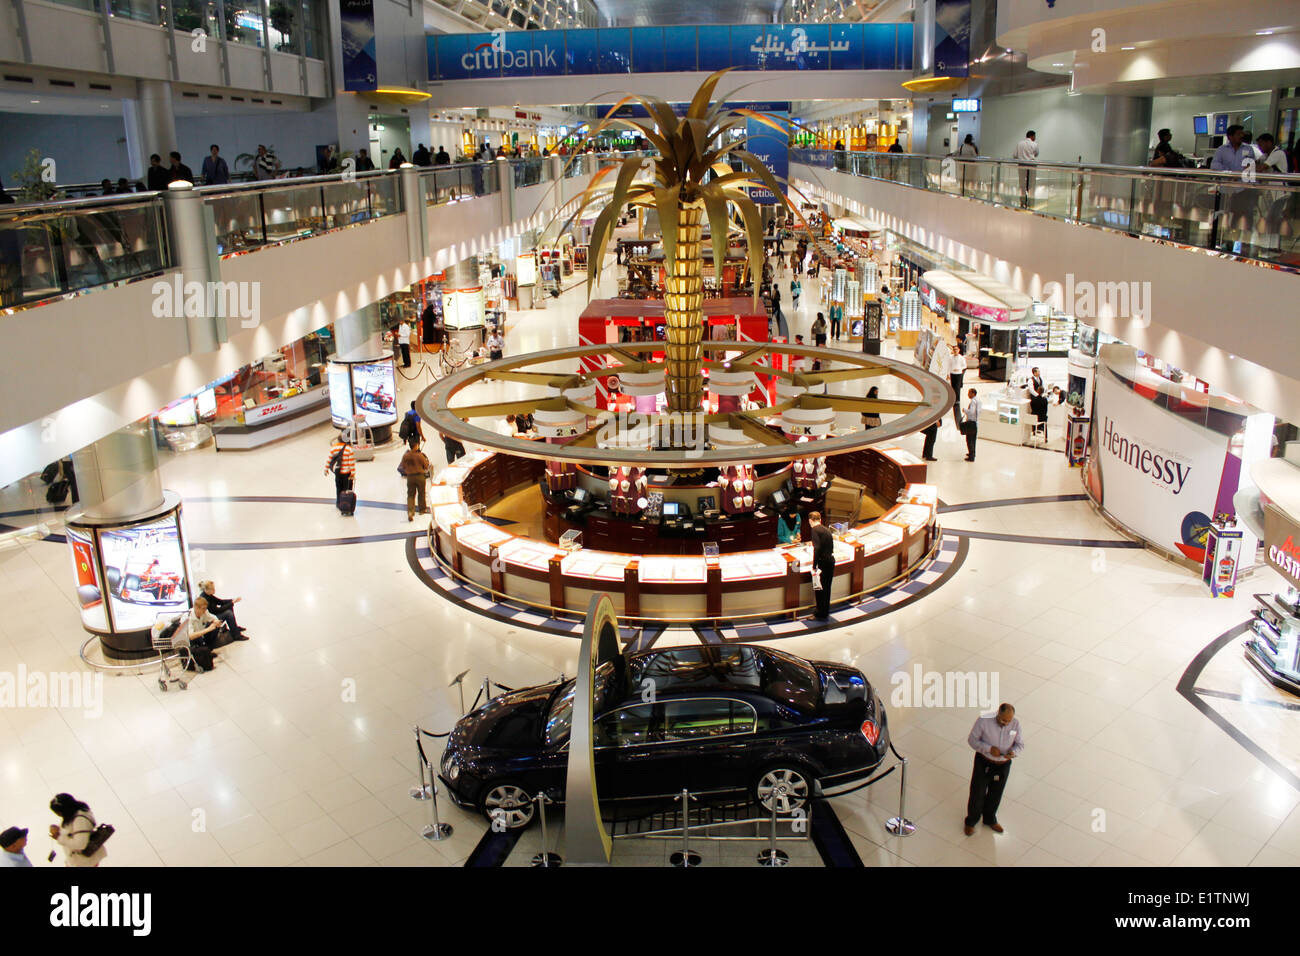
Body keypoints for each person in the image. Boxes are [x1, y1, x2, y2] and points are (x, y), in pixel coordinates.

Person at [964, 703, 1025, 835]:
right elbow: (972, 740)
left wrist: (1013, 752)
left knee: (996, 793)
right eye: (1003, 720)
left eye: (1008, 721)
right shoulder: (984, 720)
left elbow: (1020, 745)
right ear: (998, 713)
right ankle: (971, 821)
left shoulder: (1015, 724)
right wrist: (989, 749)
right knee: (977, 793)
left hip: (1003, 764)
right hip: (984, 762)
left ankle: (989, 819)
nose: (1006, 723)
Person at [49, 794, 106, 867]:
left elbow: (80, 844)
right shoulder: (72, 814)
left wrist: (59, 838)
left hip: (85, 863)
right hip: (76, 861)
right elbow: (70, 829)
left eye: (58, 812)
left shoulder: (80, 820)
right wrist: (57, 829)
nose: (58, 815)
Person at [808, 511, 835, 620]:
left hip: (822, 563)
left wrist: (814, 565)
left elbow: (817, 548)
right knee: (827, 588)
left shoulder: (814, 530)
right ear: (820, 520)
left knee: (820, 588)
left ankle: (819, 613)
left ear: (810, 520)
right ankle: (825, 610)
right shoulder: (826, 530)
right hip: (830, 561)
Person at [186, 596, 223, 671]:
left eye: (205, 608)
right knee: (206, 632)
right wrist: (208, 629)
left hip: (200, 635)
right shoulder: (188, 617)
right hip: (190, 641)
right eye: (203, 609)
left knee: (215, 629)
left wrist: (216, 622)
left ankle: (208, 651)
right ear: (196, 608)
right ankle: (204, 653)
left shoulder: (205, 612)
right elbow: (190, 636)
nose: (205, 611)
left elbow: (212, 617)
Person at [399, 441, 431, 521]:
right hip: (420, 476)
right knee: (421, 493)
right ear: (416, 446)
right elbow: (426, 466)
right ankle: (422, 510)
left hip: (410, 477)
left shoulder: (405, 456)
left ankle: (410, 512)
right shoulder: (420, 456)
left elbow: (402, 466)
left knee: (410, 495)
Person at [325, 433, 356, 511]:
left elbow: (329, 460)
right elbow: (351, 463)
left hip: (338, 472)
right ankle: (346, 503)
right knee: (347, 489)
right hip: (346, 473)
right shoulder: (349, 449)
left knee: (339, 487)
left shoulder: (334, 448)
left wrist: (326, 469)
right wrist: (353, 473)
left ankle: (339, 503)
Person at [1013, 130, 1038, 207]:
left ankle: (1022, 202)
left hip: (1021, 165)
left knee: (1022, 184)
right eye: (1034, 136)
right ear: (1032, 136)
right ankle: (1030, 203)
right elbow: (1036, 154)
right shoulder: (1035, 144)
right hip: (1031, 166)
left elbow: (1015, 155)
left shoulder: (1019, 143)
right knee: (1031, 185)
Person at [962, 387, 981, 462]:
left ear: (973, 393)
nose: (968, 394)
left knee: (969, 439)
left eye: (969, 393)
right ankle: (972, 453)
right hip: (976, 422)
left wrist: (965, 410)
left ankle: (971, 456)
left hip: (971, 422)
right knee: (973, 439)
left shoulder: (973, 401)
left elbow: (971, 412)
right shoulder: (978, 400)